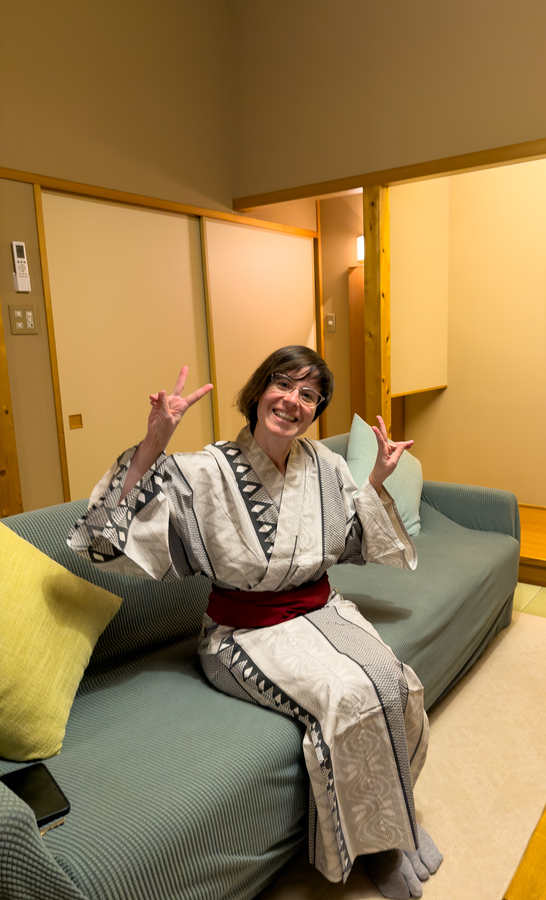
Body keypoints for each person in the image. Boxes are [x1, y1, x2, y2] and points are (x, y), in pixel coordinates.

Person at [68, 345, 442, 899]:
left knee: (397, 683)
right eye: (283, 384)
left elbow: (353, 539)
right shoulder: (203, 470)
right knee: (344, 695)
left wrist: (379, 481)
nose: (292, 401)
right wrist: (153, 443)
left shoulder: (327, 465)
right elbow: (102, 541)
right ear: (260, 390)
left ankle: (395, 820)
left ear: (317, 410)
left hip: (320, 610)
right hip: (243, 634)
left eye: (308, 394)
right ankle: (379, 848)